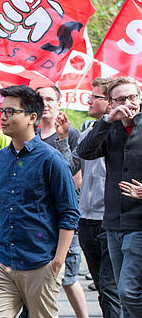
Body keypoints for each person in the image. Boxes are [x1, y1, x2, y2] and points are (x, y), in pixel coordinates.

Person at [0, 85, 79, 318]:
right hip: (2, 262)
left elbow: (69, 214)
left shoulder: (51, 160)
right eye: (1, 111)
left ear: (32, 117)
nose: (3, 117)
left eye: (11, 112)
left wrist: (57, 264)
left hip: (40, 262)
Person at [77, 77, 142, 317]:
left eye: (132, 97)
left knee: (129, 291)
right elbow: (85, 152)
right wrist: (106, 121)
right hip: (113, 222)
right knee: (121, 294)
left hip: (138, 224)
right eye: (121, 99)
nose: (128, 103)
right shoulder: (109, 127)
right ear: (111, 103)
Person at [35, 85, 88, 318]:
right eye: (40, 99)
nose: (45, 103)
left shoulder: (71, 133)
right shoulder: (29, 134)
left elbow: (73, 175)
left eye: (50, 99)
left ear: (59, 103)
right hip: (36, 218)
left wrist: (63, 139)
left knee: (67, 276)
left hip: (63, 217)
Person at [71, 78, 121, 318]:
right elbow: (73, 163)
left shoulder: (124, 132)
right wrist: (62, 138)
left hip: (110, 220)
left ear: (109, 102)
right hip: (86, 218)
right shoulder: (87, 132)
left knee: (111, 287)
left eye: (94, 97)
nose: (88, 101)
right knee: (102, 288)